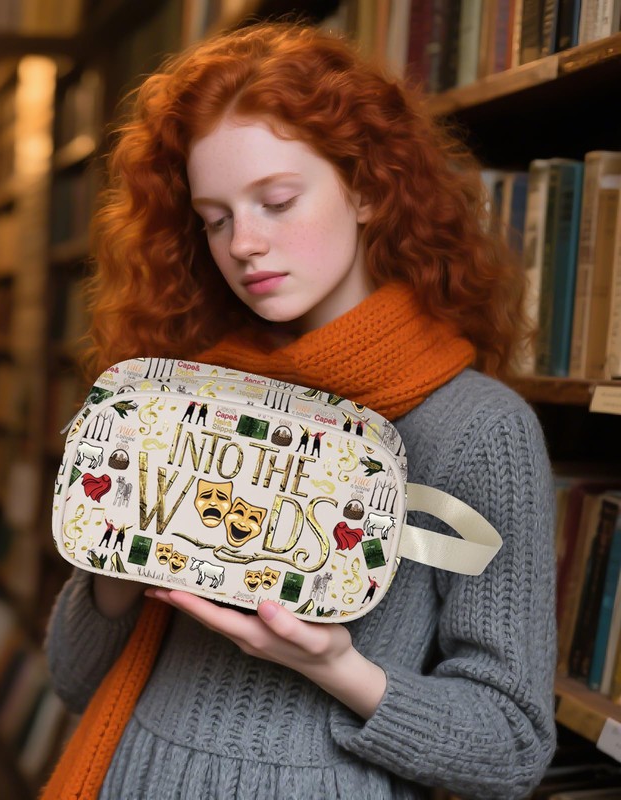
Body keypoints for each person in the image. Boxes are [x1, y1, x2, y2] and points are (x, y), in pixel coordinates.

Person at [44, 21, 556, 800]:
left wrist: (337, 667)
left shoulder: (478, 429)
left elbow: (512, 745)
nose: (244, 243)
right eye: (215, 218)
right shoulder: (188, 401)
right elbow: (73, 679)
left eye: (277, 201)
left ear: (367, 188)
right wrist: (119, 546)